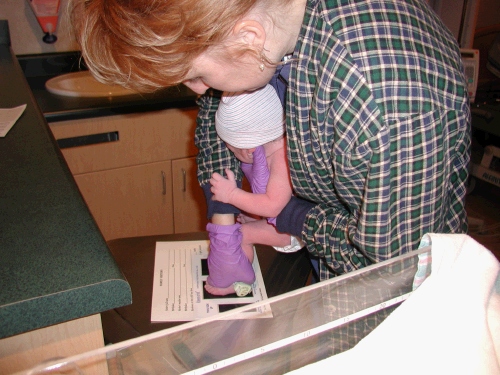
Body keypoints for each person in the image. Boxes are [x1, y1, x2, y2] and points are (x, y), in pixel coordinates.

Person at [69, 0, 470, 282]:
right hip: (323, 252)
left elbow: (391, 267)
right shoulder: (265, 31)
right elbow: (215, 116)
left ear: (249, 37)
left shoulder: (383, 104)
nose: (197, 90)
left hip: (397, 295)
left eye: (196, 75)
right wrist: (223, 220)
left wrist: (293, 217)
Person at [206, 84, 304, 295]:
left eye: (230, 147)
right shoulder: (268, 149)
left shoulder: (282, 158)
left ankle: (235, 279)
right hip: (282, 223)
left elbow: (273, 205)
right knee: (245, 226)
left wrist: (231, 194)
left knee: (240, 235)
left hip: (296, 232)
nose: (230, 152)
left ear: (248, 149)